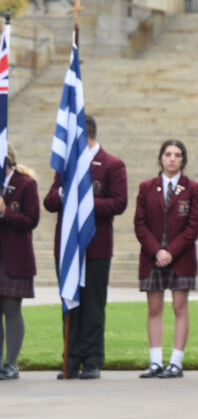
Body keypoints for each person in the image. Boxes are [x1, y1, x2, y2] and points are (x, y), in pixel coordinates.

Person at [44, 114, 128, 380]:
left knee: (93, 305)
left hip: (96, 247)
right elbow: (49, 201)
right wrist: (63, 195)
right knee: (70, 303)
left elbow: (118, 202)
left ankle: (92, 359)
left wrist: (84, 202)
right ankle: (71, 358)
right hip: (68, 249)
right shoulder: (66, 165)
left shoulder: (113, 164)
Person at [134, 140, 198, 379]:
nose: (172, 158)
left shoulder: (192, 188)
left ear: (183, 159)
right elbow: (139, 224)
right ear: (161, 158)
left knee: (179, 306)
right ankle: (155, 361)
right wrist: (157, 251)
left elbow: (193, 227)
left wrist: (171, 252)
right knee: (154, 307)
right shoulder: (146, 187)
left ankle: (176, 361)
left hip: (181, 258)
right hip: (152, 258)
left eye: (177, 155)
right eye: (168, 154)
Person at [0, 145, 40, 380]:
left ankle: (11, 364)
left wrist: (5, 212)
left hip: (15, 256)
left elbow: (31, 219)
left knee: (11, 308)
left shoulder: (26, 183)